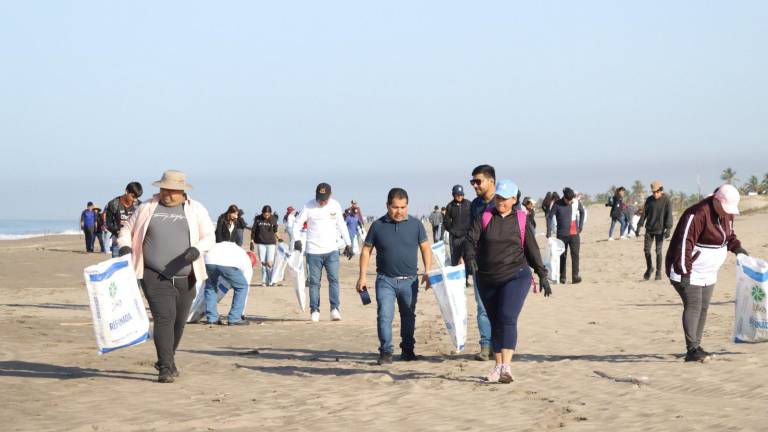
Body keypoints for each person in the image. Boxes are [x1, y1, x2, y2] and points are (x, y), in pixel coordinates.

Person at [117, 170, 215, 383]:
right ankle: (165, 366)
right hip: (153, 273)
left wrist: (197, 250)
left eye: (172, 191)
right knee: (164, 317)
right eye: (164, 190)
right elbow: (126, 230)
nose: (167, 194)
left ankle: (168, 359)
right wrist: (125, 246)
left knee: (179, 322)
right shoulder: (146, 208)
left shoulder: (196, 209)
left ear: (182, 191)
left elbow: (209, 236)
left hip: (186, 275)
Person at [465, 179, 551, 383]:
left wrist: (542, 274)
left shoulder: (522, 220)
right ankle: (497, 366)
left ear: (514, 199)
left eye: (505, 198)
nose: (500, 201)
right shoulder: (484, 217)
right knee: (495, 321)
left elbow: (532, 250)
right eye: (498, 197)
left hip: (516, 275)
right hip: (487, 277)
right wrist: (469, 258)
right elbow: (470, 240)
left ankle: (506, 366)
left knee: (507, 317)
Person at [665, 184, 748, 362]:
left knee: (703, 307)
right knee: (694, 305)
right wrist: (684, 272)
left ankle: (696, 345)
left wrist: (737, 248)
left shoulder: (728, 215)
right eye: (725, 208)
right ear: (716, 200)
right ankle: (692, 350)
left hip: (709, 272)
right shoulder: (696, 213)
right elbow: (684, 243)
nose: (727, 213)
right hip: (688, 270)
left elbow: (729, 235)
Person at [356, 188, 432, 365]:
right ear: (387, 205)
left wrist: (428, 271)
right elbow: (366, 250)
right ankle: (386, 352)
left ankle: (408, 350)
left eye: (403, 207)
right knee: (384, 315)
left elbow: (426, 248)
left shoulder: (416, 225)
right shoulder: (377, 225)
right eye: (395, 207)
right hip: (385, 280)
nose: (399, 211)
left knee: (408, 316)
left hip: (410, 281)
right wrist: (362, 277)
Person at [292, 183, 354, 322]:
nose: (322, 201)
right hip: (313, 251)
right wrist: (297, 239)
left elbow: (341, 225)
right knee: (314, 283)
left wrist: (348, 244)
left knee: (334, 280)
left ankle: (335, 309)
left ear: (330, 196)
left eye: (325, 198)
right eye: (320, 198)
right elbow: (297, 223)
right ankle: (314, 310)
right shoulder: (308, 206)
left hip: (332, 250)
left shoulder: (335, 205)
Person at [468, 164, 497, 361]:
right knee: (482, 306)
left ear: (491, 182)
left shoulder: (505, 201)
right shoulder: (475, 205)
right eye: (473, 182)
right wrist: (468, 256)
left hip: (503, 262)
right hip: (480, 263)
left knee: (502, 307)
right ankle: (485, 345)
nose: (475, 185)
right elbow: (469, 234)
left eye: (478, 181)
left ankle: (501, 344)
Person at [203, 241, 252, 326]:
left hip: (209, 261)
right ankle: (235, 318)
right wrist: (242, 313)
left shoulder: (226, 245)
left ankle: (212, 318)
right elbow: (247, 278)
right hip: (226, 263)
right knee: (242, 287)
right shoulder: (245, 257)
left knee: (210, 287)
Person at [546, 187, 585, 284]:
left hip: (574, 234)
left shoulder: (575, 202)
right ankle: (563, 277)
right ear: (564, 197)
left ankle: (575, 276)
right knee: (563, 256)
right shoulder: (557, 204)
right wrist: (549, 231)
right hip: (562, 235)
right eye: (568, 200)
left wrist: (580, 226)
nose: (570, 201)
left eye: (571, 199)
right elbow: (549, 217)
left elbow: (582, 212)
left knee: (575, 255)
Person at [637, 181, 673, 280]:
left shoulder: (666, 200)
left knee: (658, 251)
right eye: (653, 192)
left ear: (661, 190)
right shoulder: (649, 200)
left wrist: (668, 229)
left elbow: (669, 215)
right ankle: (649, 268)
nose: (655, 194)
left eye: (657, 192)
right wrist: (639, 225)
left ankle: (658, 272)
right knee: (646, 250)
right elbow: (644, 214)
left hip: (660, 230)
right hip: (649, 229)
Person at [105, 182, 143, 257]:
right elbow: (107, 223)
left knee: (131, 265)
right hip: (117, 239)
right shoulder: (113, 204)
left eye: (137, 197)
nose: (134, 199)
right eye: (133, 196)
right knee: (117, 264)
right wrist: (117, 231)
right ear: (126, 191)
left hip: (134, 240)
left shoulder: (139, 205)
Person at [443, 184, 471, 273]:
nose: (459, 196)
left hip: (467, 236)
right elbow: (446, 222)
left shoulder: (468, 204)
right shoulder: (450, 206)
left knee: (467, 257)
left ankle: (465, 279)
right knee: (455, 258)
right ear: (453, 195)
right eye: (457, 195)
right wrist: (453, 232)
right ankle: (457, 279)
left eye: (461, 194)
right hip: (455, 238)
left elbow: (474, 218)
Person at [252, 205, 278, 286]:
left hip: (271, 243)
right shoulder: (258, 219)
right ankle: (264, 281)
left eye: (268, 214)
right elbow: (253, 230)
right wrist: (251, 241)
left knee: (270, 262)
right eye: (265, 214)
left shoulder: (273, 219)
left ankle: (271, 280)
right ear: (262, 213)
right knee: (263, 262)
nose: (266, 216)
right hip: (261, 243)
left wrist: (280, 239)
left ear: (270, 213)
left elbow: (275, 231)